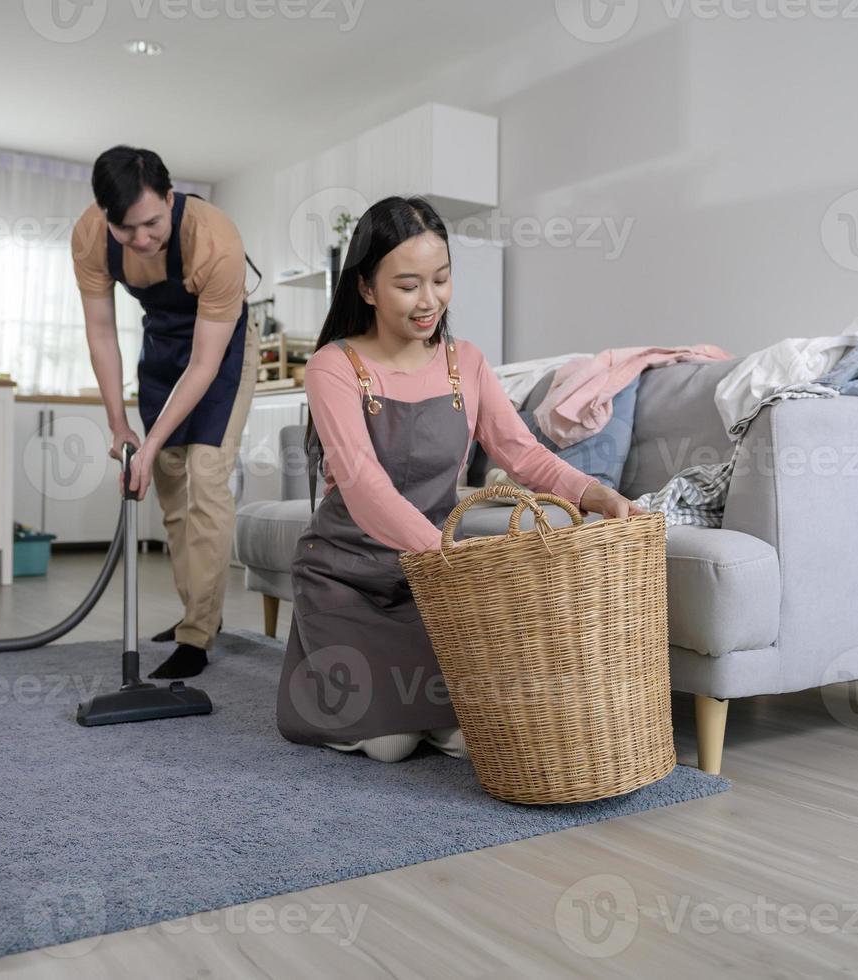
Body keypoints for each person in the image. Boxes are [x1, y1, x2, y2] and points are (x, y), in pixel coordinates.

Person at [276, 196, 645, 763]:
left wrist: (598, 495)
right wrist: (451, 559)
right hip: (346, 577)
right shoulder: (334, 366)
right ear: (367, 289)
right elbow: (364, 485)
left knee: (463, 736)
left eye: (441, 279)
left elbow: (523, 454)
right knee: (392, 744)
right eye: (408, 285)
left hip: (426, 585)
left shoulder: (465, 363)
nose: (430, 301)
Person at [71, 146, 259, 679]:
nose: (144, 239)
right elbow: (101, 332)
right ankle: (196, 616)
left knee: (205, 472)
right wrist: (118, 422)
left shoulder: (214, 238)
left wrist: (148, 446)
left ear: (170, 200)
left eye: (153, 223)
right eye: (127, 230)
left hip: (219, 352)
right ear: (106, 217)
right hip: (162, 345)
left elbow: (205, 361)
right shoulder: (89, 238)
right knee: (171, 486)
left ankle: (197, 635)